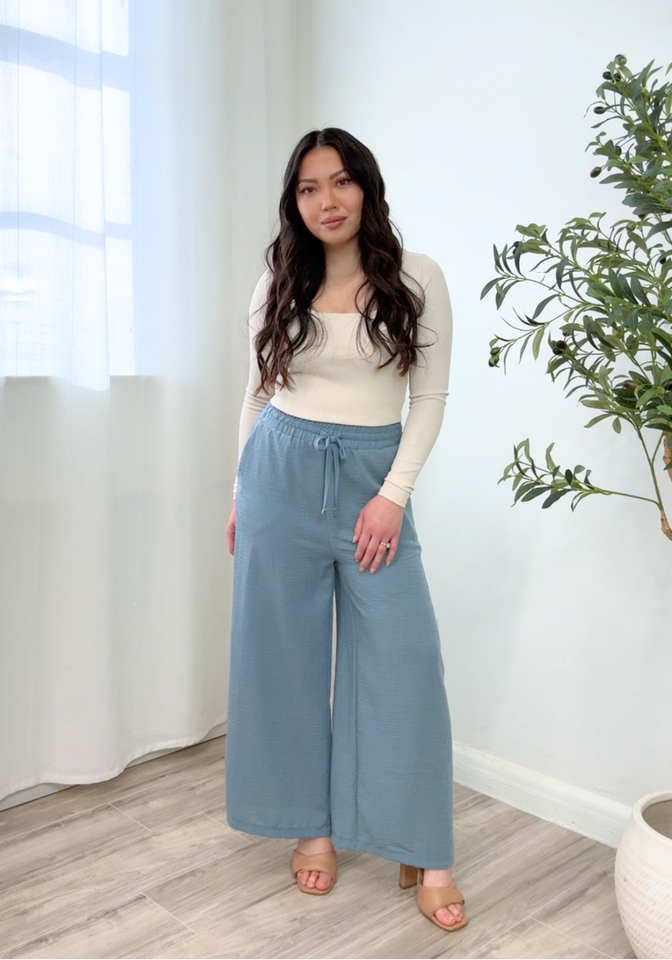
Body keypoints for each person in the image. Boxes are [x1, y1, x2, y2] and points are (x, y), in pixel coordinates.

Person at [224, 127, 468, 932]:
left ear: (366, 186)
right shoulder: (278, 281)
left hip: (372, 482)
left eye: (340, 181)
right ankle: (312, 829)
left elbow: (429, 399)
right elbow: (257, 393)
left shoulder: (418, 277)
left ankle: (426, 849)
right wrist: (240, 491)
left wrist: (393, 496)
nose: (326, 201)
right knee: (284, 661)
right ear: (294, 202)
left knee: (407, 661)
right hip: (278, 476)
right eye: (308, 188)